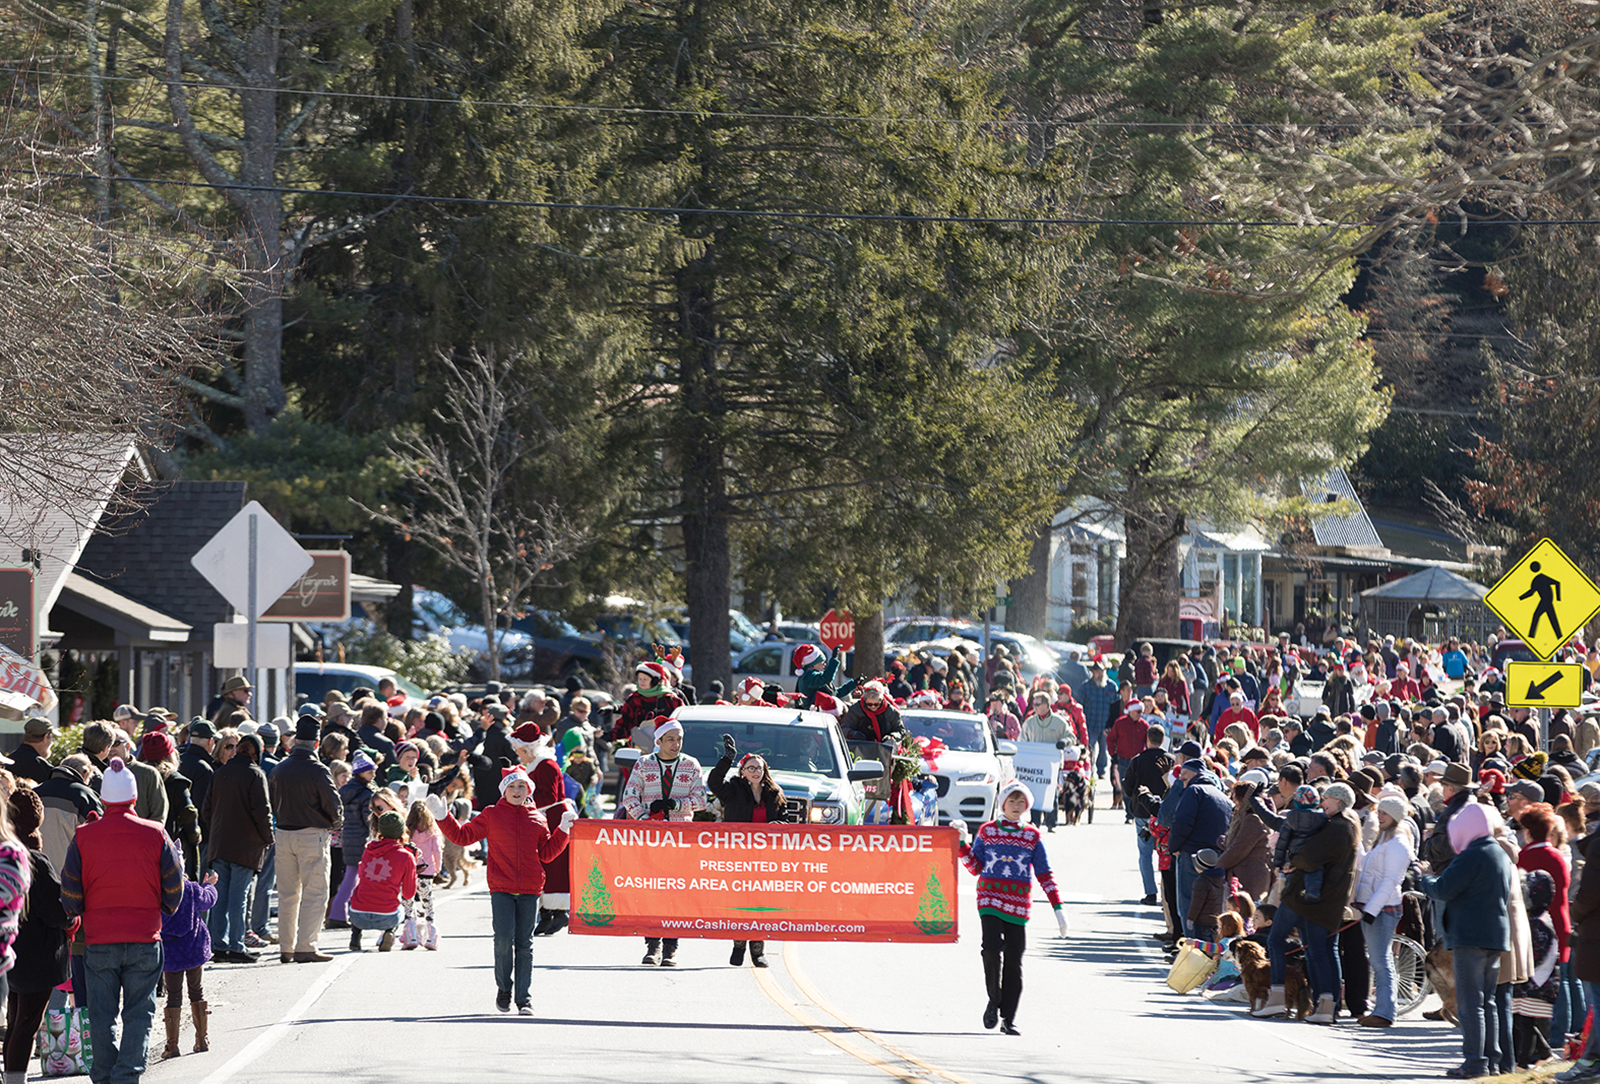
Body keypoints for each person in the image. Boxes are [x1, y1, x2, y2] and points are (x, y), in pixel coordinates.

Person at [59, 757, 184, 1084]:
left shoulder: (85, 836)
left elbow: (69, 890)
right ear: (133, 798)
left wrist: (78, 912)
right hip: (145, 936)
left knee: (102, 1014)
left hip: (99, 939)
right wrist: (165, 907)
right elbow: (174, 886)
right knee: (139, 1013)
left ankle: (103, 1076)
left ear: (103, 799)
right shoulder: (155, 832)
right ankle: (127, 1075)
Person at [430, 765, 575, 1014]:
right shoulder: (491, 814)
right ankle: (504, 989)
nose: (517, 790)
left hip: (530, 889)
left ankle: (524, 999)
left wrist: (563, 830)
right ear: (504, 790)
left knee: (524, 945)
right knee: (503, 941)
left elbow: (549, 854)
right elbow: (463, 837)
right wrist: (443, 818)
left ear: (528, 790)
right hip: (502, 888)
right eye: (512, 786)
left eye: (521, 786)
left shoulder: (538, 819)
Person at [955, 782, 1068, 1035]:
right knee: (991, 950)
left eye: (1021, 802)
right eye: (1012, 801)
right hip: (990, 900)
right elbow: (975, 867)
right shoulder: (987, 831)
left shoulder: (1032, 836)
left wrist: (1058, 908)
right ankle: (994, 1001)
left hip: (1018, 905)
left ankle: (1008, 1017)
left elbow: (1044, 873)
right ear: (1003, 804)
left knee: (1015, 961)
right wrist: (962, 843)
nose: (1017, 807)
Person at [1423, 801, 1517, 1079]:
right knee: (1488, 1002)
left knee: (1470, 1003)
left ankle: (1475, 1062)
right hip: (1495, 936)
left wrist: (1425, 878)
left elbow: (1443, 888)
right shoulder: (1497, 852)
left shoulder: (1472, 854)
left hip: (1470, 937)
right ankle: (1493, 1060)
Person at [1254, 782, 1360, 1024]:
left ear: (1340, 801)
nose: (1322, 803)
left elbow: (1311, 856)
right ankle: (1326, 1006)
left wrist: (1293, 861)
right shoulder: (1344, 826)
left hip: (1307, 897)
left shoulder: (1339, 828)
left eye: (1327, 799)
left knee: (1277, 939)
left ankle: (1278, 998)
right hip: (1324, 899)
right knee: (1319, 951)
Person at [620, 719, 708, 965]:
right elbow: (630, 796)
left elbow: (701, 800)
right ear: (658, 741)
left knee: (676, 892)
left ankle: (671, 946)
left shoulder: (691, 765)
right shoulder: (644, 764)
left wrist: (675, 804)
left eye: (679, 739)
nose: (675, 744)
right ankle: (652, 945)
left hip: (680, 838)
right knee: (652, 890)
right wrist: (646, 818)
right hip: (651, 838)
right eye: (670, 739)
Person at [266, 714, 342, 964]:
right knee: (315, 892)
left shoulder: (279, 768)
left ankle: (286, 947)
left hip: (284, 833)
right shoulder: (318, 770)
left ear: (295, 740)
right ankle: (305, 946)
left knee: (288, 894)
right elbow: (334, 805)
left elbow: (273, 802)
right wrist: (334, 824)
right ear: (317, 743)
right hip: (311, 834)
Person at [5, 789, 69, 1083]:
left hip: (13, 949)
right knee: (27, 1024)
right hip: (37, 954)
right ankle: (16, 1080)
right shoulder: (36, 862)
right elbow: (56, 912)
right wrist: (73, 917)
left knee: (15, 1021)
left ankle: (11, 1077)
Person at [709, 736, 791, 967]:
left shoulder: (774, 793)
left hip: (766, 859)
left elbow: (785, 821)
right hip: (739, 857)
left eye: (759, 768)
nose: (755, 771)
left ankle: (757, 949)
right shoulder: (733, 790)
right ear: (742, 771)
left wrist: (778, 826)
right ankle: (738, 945)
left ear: (765, 771)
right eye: (750, 768)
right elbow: (714, 783)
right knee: (740, 901)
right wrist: (727, 759)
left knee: (761, 903)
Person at [201, 732, 272, 964]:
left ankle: (219, 945)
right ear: (256, 753)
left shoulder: (220, 773)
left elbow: (207, 810)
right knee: (239, 897)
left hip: (221, 843)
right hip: (246, 846)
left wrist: (216, 831)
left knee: (220, 897)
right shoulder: (255, 774)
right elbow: (262, 811)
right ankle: (237, 946)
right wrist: (268, 837)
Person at [1354, 794, 1416, 1028]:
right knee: (1381, 959)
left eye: (1383, 813)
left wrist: (1370, 910)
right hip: (1375, 906)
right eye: (1379, 812)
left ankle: (1385, 1012)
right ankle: (1381, 1009)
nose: (1378, 817)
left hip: (1383, 909)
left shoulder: (1398, 844)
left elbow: (1390, 881)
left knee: (1381, 961)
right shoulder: (1385, 839)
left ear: (1395, 817)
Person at [159, 870, 217, 1058]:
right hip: (193, 948)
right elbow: (208, 900)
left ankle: (172, 1046)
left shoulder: (159, 892)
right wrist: (209, 885)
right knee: (196, 990)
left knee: (173, 996)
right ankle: (202, 1039)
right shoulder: (191, 888)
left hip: (171, 952)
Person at [347, 812, 417, 953]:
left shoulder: (368, 850)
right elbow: (409, 894)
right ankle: (389, 932)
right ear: (402, 831)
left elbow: (362, 874)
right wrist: (413, 864)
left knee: (357, 897)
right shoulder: (406, 856)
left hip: (357, 915)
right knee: (401, 910)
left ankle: (355, 936)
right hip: (387, 916)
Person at [329, 753, 380, 927]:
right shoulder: (366, 794)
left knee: (352, 876)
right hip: (361, 839)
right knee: (352, 877)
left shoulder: (345, 791)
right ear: (360, 773)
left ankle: (341, 913)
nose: (373, 775)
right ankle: (338, 914)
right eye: (369, 772)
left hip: (349, 837)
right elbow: (369, 819)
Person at [1125, 725, 1173, 905]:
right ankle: (1167, 893)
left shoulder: (1137, 761)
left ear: (1147, 739)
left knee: (1145, 854)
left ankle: (1150, 892)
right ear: (1163, 740)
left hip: (1143, 812)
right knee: (1166, 853)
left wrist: (1135, 796)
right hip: (1165, 812)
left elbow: (1128, 787)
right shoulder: (1171, 760)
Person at [402, 802, 443, 950]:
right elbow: (437, 851)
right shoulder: (432, 833)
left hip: (410, 871)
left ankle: (411, 932)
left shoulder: (408, 833)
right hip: (427, 870)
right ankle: (431, 933)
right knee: (427, 899)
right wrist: (437, 867)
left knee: (408, 898)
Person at [840, 682, 905, 745]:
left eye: (876, 704)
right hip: (859, 748)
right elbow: (844, 728)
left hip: (884, 749)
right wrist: (853, 734)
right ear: (865, 700)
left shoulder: (891, 711)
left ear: (881, 699)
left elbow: (900, 730)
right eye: (869, 704)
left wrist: (891, 737)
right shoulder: (856, 710)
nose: (873, 706)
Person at [8, 716, 55, 786]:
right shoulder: (43, 767)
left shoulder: (9, 761)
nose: (52, 742)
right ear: (46, 737)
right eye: (51, 737)